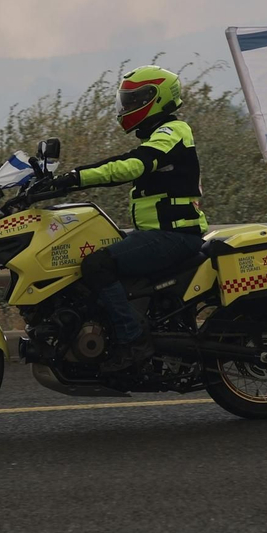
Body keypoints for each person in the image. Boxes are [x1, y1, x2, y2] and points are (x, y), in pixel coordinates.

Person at [40, 65, 208, 371]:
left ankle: (133, 341)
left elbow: (132, 165)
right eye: (126, 100)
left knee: (98, 264)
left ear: (156, 99)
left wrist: (73, 179)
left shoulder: (173, 132)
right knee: (89, 250)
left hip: (176, 236)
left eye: (134, 100)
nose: (127, 107)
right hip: (161, 234)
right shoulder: (159, 135)